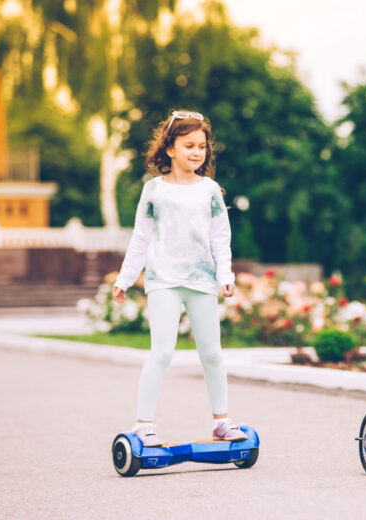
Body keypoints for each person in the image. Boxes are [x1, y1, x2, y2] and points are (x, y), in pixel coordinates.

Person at [112, 110, 246, 446]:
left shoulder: (210, 190)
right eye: (189, 145)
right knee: (161, 352)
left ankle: (221, 422)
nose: (197, 152)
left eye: (202, 146)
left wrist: (225, 273)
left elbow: (220, 236)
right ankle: (143, 424)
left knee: (212, 353)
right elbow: (140, 237)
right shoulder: (154, 190)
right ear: (170, 148)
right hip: (164, 282)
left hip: (202, 281)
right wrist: (125, 279)